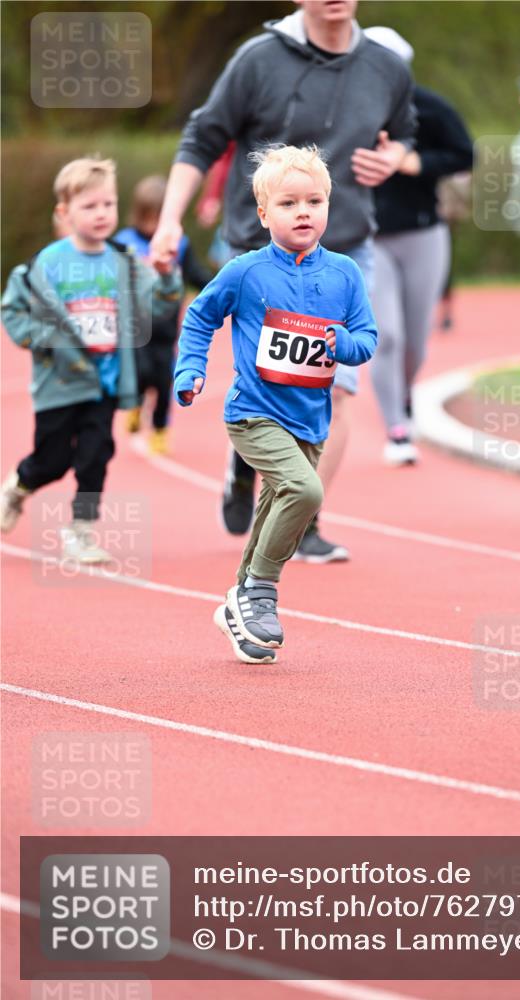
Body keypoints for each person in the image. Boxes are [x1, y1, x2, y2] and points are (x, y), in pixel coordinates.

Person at [150, 0, 415, 561]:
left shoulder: (386, 66)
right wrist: (171, 220)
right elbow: (202, 139)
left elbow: (406, 134)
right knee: (271, 378)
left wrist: (394, 158)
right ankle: (249, 463)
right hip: (257, 248)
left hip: (346, 250)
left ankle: (304, 518)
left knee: (336, 388)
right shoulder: (258, 59)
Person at [173, 145, 377, 664]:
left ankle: (238, 602)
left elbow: (366, 338)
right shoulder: (245, 272)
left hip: (311, 419)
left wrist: (342, 344)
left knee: (273, 510)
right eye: (288, 204)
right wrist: (190, 368)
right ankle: (261, 590)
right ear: (263, 214)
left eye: (314, 201)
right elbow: (200, 317)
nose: (303, 212)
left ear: (330, 205)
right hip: (253, 412)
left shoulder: (346, 273)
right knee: (306, 491)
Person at [0, 156, 182, 560]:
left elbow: (162, 305)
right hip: (59, 383)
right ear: (64, 213)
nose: (101, 214)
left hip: (106, 382)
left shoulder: (126, 262)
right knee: (54, 460)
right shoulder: (47, 263)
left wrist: (168, 275)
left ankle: (80, 531)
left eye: (108, 204)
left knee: (96, 456)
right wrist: (42, 339)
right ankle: (19, 485)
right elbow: (12, 309)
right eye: (89, 206)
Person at [364, 26, 473, 464]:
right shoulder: (347, 110)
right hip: (368, 238)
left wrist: (417, 162)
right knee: (385, 334)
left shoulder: (429, 107)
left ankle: (404, 396)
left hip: (424, 233)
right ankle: (395, 426)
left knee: (415, 341)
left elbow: (465, 153)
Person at [115, 175, 212, 454]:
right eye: (149, 217)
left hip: (167, 326)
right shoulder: (124, 243)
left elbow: (196, 273)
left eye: (161, 217)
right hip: (134, 327)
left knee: (164, 379)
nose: (154, 224)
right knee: (140, 372)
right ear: (139, 214)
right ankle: (134, 404)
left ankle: (159, 428)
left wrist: (218, 291)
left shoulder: (177, 243)